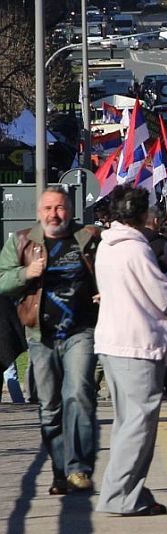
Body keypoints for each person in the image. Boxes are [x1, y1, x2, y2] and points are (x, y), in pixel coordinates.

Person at [94, 185, 167, 516]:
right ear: (140, 214)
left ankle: (125, 486)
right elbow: (163, 296)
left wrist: (163, 261)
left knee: (127, 422)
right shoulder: (135, 250)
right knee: (138, 423)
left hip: (114, 341)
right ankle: (122, 495)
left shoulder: (109, 245)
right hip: (135, 342)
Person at [0, 187, 100, 494]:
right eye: (47, 208)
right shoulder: (20, 242)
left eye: (59, 208)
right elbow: (2, 280)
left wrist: (105, 292)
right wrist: (26, 273)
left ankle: (79, 469)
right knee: (50, 406)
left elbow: (108, 271)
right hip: (40, 336)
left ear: (70, 211)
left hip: (80, 332)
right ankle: (60, 471)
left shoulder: (88, 238)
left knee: (79, 396)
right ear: (38, 212)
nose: (53, 214)